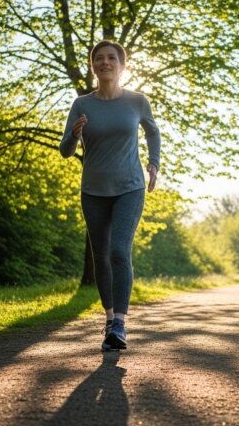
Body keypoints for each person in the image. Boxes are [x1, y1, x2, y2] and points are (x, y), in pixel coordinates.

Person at [59, 40, 160, 351]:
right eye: (99, 58)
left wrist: (153, 163)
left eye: (111, 58)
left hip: (130, 187)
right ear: (94, 66)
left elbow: (152, 130)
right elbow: (65, 151)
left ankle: (120, 322)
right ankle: (108, 320)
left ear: (122, 65)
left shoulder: (137, 101)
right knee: (100, 255)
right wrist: (75, 134)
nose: (105, 62)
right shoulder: (82, 104)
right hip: (93, 190)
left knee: (118, 251)